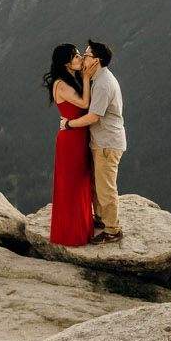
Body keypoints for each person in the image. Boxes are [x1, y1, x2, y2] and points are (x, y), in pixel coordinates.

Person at [60, 39, 125, 243]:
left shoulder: (104, 84)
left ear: (96, 60)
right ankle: (101, 219)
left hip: (107, 143)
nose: (83, 57)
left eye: (86, 54)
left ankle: (113, 230)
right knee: (97, 185)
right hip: (102, 141)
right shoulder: (99, 78)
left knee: (106, 188)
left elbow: (93, 116)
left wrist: (69, 124)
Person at [42, 42, 95, 246]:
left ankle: (82, 230)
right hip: (71, 139)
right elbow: (84, 104)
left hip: (79, 135)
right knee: (72, 187)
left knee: (81, 184)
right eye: (76, 57)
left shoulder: (70, 79)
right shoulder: (61, 84)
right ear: (66, 63)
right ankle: (71, 235)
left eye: (80, 54)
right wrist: (87, 77)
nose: (80, 58)